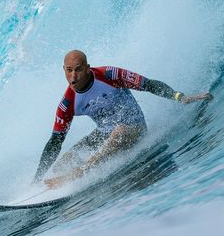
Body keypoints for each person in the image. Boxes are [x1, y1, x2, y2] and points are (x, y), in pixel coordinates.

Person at [33, 49, 213, 188]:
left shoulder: (109, 75)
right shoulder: (67, 103)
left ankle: (80, 173)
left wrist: (179, 97)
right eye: (69, 71)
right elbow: (55, 142)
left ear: (88, 69)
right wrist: (37, 178)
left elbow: (148, 84)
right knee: (63, 163)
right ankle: (49, 188)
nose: (73, 77)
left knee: (118, 132)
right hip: (105, 132)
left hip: (133, 127)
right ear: (63, 70)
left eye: (78, 70)